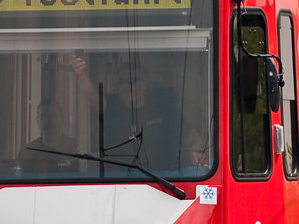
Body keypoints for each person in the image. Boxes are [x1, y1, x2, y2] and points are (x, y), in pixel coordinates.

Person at [71, 53, 209, 172]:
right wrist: (80, 73)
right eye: (121, 81)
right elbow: (91, 97)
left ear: (145, 83)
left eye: (131, 81)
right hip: (115, 182)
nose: (126, 86)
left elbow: (193, 137)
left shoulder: (164, 109)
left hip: (162, 181)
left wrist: (195, 150)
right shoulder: (110, 106)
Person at [18, 98, 78, 172]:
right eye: (43, 116)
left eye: (53, 116)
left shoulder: (75, 148)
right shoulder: (27, 152)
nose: (48, 121)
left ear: (62, 119)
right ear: (37, 121)